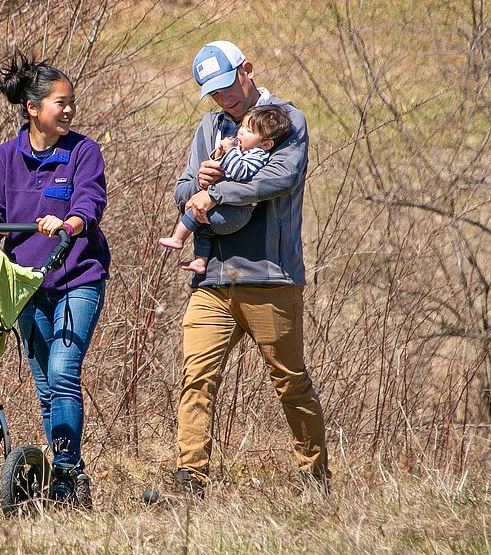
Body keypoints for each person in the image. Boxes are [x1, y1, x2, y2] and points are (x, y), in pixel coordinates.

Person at [170, 40, 330, 497]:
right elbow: (183, 187)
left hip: (270, 276)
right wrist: (196, 186)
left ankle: (315, 476)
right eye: (214, 93)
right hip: (212, 277)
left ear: (248, 70)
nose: (224, 99)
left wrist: (217, 193)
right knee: (195, 376)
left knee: (289, 382)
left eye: (227, 87)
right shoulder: (209, 126)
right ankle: (190, 480)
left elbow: (280, 177)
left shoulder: (285, 119)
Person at [0, 53, 110, 509]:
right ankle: (60, 477)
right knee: (46, 386)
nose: (69, 110)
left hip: (77, 278)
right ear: (33, 108)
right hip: (26, 285)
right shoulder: (5, 158)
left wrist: (69, 222)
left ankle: (71, 472)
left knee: (63, 372)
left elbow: (89, 202)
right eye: (60, 103)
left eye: (71, 103)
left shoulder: (83, 152)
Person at [158, 105, 291, 274]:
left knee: (195, 212)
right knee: (203, 231)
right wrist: (218, 156)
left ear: (266, 143)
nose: (241, 132)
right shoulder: (242, 151)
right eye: (242, 126)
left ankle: (177, 239)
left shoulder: (258, 156)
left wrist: (229, 152)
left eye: (248, 130)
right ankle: (200, 261)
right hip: (228, 210)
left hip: (236, 213)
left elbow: (239, 173)